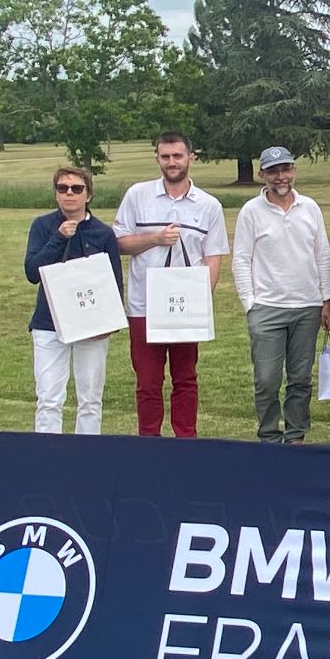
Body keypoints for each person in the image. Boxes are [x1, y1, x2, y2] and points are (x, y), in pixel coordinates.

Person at [113, 133, 229, 438]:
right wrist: (155, 238)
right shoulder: (138, 196)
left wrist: (200, 300)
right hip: (144, 306)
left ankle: (185, 441)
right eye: (165, 157)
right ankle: (149, 441)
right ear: (157, 159)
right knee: (148, 382)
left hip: (185, 307)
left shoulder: (208, 205)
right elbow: (119, 243)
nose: (171, 162)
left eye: (178, 156)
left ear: (191, 157)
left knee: (185, 378)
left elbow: (213, 257)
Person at [231, 146, 330, 444]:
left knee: (300, 379)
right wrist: (250, 304)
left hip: (307, 306)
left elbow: (321, 255)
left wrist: (327, 299)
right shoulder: (251, 211)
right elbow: (241, 260)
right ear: (262, 174)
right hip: (267, 307)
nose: (281, 176)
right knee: (266, 380)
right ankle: (269, 437)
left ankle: (295, 436)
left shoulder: (309, 207)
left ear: (293, 170)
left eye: (286, 169)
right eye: (273, 171)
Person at [23, 165, 124, 434]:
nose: (69, 193)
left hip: (91, 325)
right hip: (49, 323)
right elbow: (32, 272)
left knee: (90, 399)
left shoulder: (103, 233)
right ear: (56, 193)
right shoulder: (43, 226)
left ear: (88, 195)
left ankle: (87, 451)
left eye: (76, 189)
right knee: (49, 398)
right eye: (63, 188)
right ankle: (48, 451)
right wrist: (59, 238)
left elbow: (114, 283)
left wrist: (109, 325)